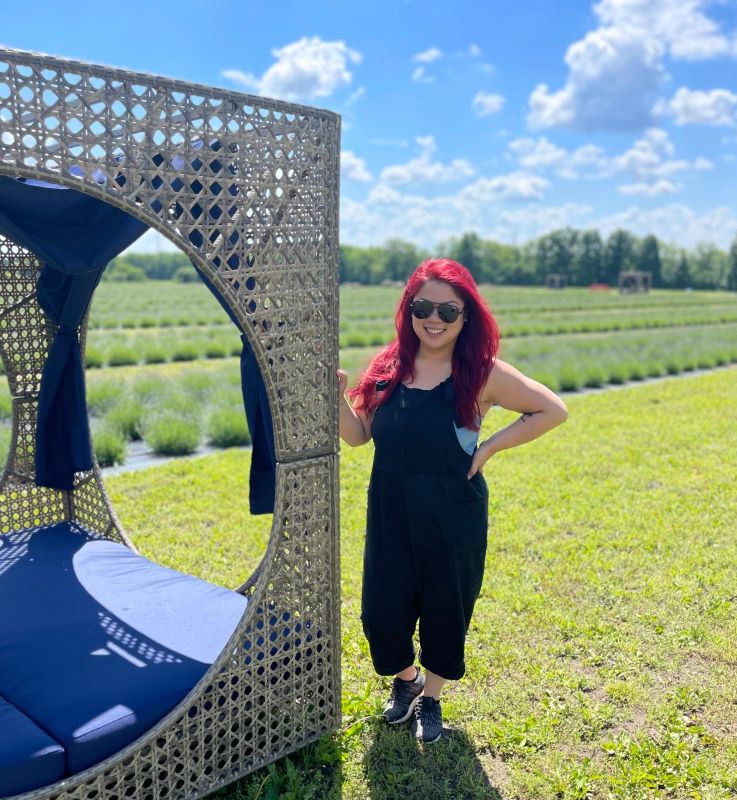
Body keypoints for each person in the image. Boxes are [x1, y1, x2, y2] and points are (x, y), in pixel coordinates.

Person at [337, 258, 568, 743]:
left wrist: (487, 448)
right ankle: (406, 681)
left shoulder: (481, 374)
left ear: (466, 316)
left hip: (453, 512)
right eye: (424, 306)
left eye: (449, 309)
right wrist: (337, 396)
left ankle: (432, 698)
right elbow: (358, 436)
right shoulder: (388, 368)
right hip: (391, 508)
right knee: (381, 611)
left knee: (447, 606)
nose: (435, 318)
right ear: (409, 309)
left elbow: (552, 410)